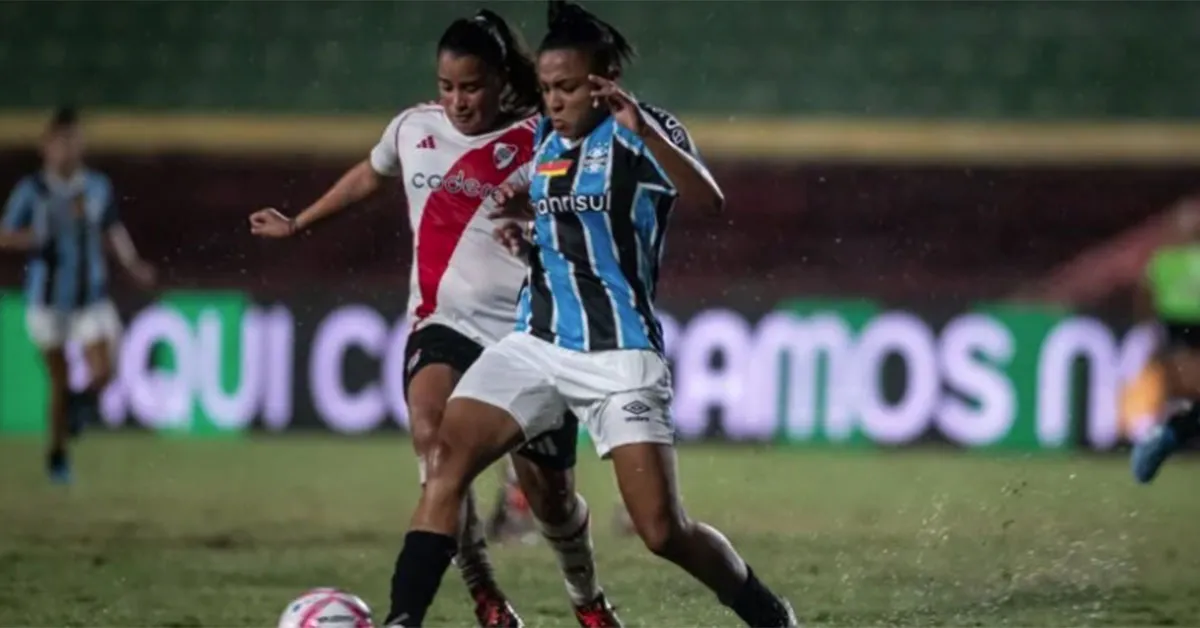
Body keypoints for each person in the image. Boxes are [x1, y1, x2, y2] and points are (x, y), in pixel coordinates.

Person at [383, 2, 797, 627]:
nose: (553, 101)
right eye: (547, 88)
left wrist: (644, 131)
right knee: (446, 462)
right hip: (536, 344)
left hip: (617, 353)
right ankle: (401, 621)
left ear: (604, 82)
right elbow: (563, 210)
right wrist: (531, 229)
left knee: (662, 530)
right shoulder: (548, 140)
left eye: (568, 87)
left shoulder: (641, 131)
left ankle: (770, 614)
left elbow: (709, 203)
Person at [248, 11, 620, 628]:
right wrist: (299, 223)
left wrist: (535, 232)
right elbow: (372, 173)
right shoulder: (413, 128)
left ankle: (588, 601)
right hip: (442, 323)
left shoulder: (544, 137)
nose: (456, 101)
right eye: (447, 87)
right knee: (434, 444)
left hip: (529, 335)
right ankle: (483, 594)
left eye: (470, 87)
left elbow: (587, 214)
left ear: (502, 80)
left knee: (552, 503)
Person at [0, 107, 157, 483]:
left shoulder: (97, 186)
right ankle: (57, 455)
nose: (68, 150)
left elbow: (112, 228)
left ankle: (78, 407)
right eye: (61, 143)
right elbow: (4, 234)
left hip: (91, 296)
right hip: (47, 300)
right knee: (59, 378)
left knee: (106, 369)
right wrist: (34, 239)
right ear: (46, 147)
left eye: (74, 142)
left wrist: (132, 263)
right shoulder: (32, 191)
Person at [1131, 201, 1200, 483]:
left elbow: (1145, 293)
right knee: (1185, 389)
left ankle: (1170, 433)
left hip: (1176, 327)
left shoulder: (1161, 260)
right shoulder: (1166, 262)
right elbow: (1147, 293)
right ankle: (1170, 433)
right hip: (1181, 325)